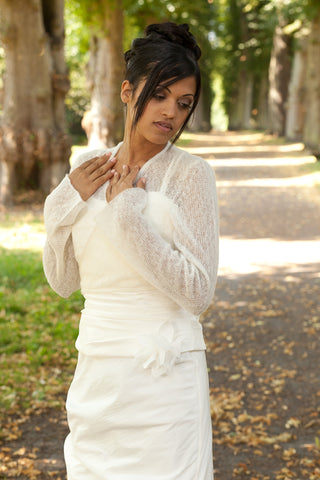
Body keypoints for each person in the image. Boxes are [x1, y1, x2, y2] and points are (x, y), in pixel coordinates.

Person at [43, 21, 219, 480]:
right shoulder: (88, 167)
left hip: (166, 380)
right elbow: (63, 283)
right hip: (98, 375)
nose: (170, 113)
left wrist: (128, 215)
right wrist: (62, 201)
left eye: (183, 104)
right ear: (127, 91)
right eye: (159, 95)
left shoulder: (190, 175)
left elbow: (198, 293)